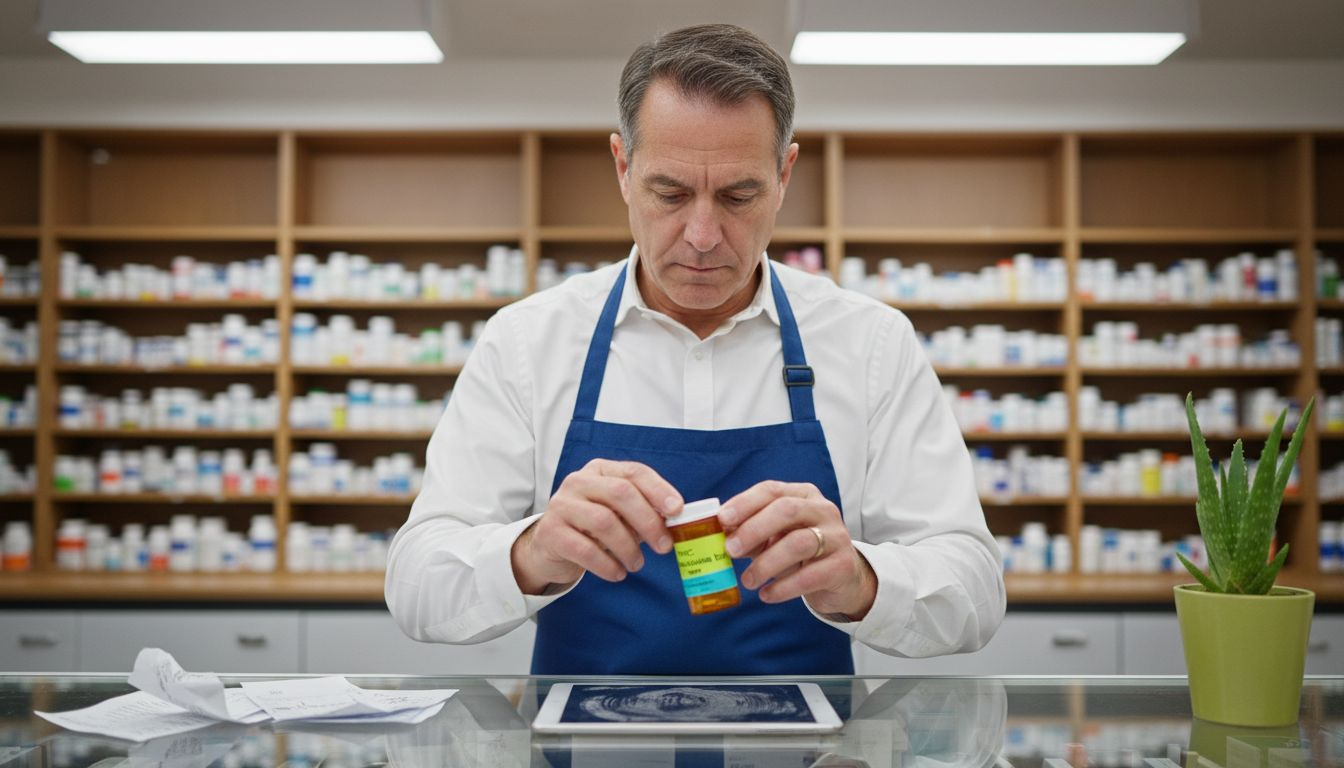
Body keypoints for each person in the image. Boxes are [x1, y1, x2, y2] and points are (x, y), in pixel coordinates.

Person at [385, 23, 1004, 675]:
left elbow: (974, 589)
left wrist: (861, 580)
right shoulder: (527, 342)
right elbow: (417, 582)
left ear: (784, 173)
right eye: (670, 194)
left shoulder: (869, 343)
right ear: (623, 169)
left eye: (739, 196)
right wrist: (530, 552)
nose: (704, 235)